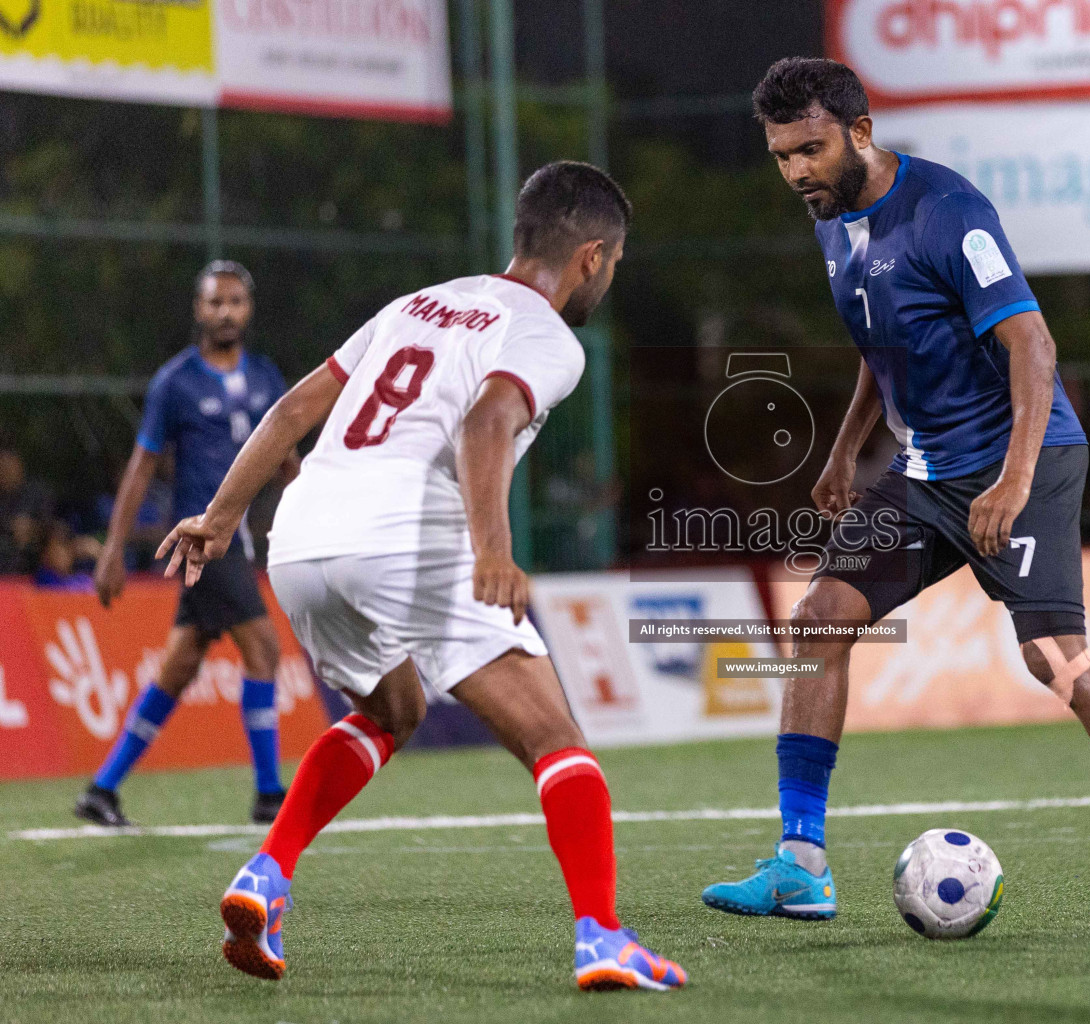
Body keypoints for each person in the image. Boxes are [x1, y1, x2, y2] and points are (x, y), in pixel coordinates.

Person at [700, 58, 1090, 938]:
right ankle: (800, 866)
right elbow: (886, 348)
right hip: (928, 470)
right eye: (781, 156)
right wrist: (844, 452)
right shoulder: (834, 224)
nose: (797, 171)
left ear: (859, 131)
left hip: (1020, 462)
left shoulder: (950, 212)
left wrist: (1014, 479)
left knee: (1057, 662)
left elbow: (1033, 345)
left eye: (809, 149)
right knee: (816, 622)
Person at [157, 162, 685, 992]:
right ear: (591, 257)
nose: (608, 278)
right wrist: (492, 550)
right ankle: (603, 938)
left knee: (391, 708)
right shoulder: (545, 334)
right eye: (613, 264)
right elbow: (487, 420)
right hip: (406, 536)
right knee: (556, 742)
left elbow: (297, 407)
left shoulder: (418, 303)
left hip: (301, 539)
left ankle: (266, 874)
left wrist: (222, 519)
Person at [75, 262, 294, 828]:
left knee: (180, 663)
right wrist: (111, 551)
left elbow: (287, 463)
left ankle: (103, 789)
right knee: (265, 649)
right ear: (198, 310)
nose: (226, 312)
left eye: (236, 302)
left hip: (240, 542)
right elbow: (141, 467)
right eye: (215, 302)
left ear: (249, 309)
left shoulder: (269, 377)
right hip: (203, 540)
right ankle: (270, 794)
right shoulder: (175, 382)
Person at [0, 447, 53, 574]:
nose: (6, 472)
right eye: (3, 469)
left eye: (9, 468)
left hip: (34, 557)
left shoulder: (36, 494)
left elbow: (50, 525)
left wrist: (32, 528)